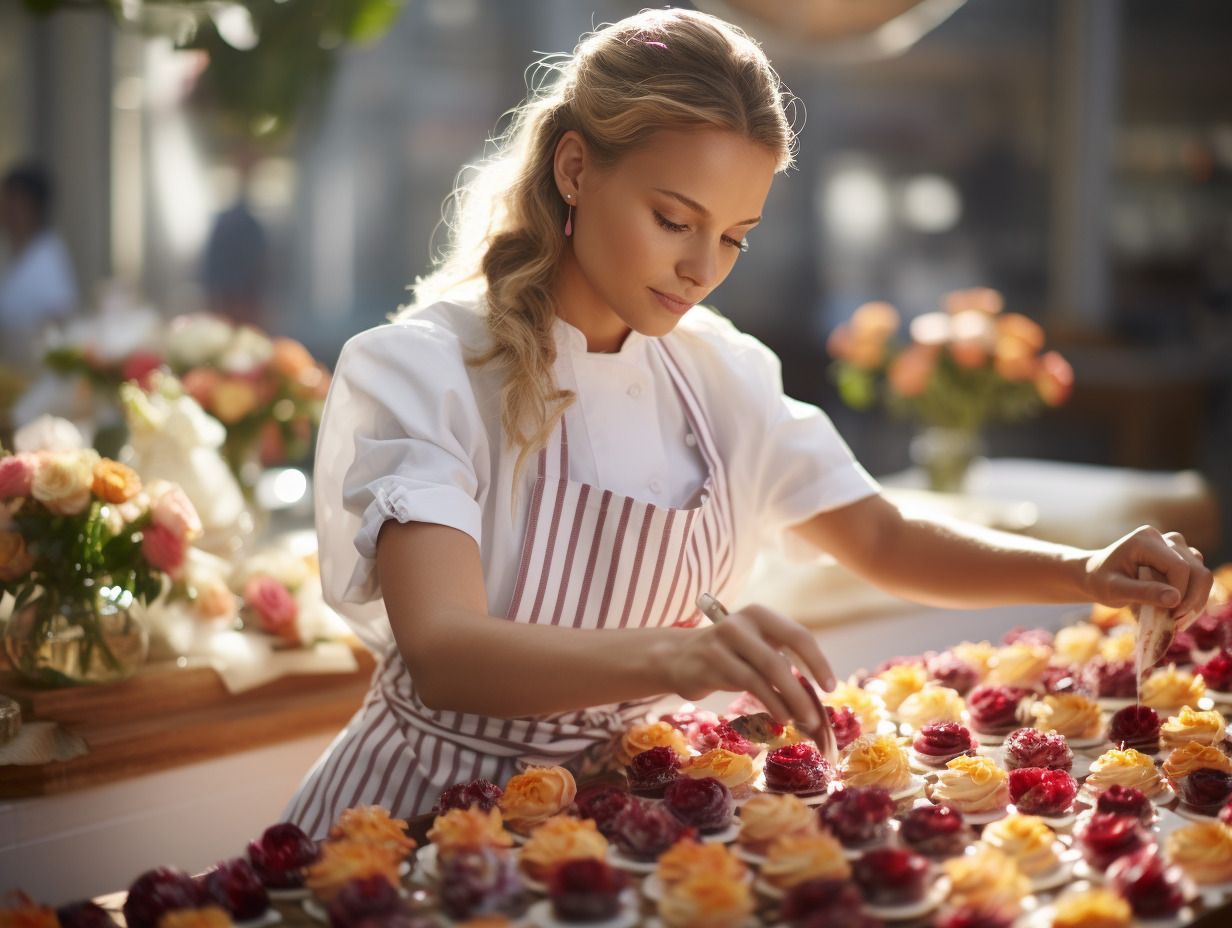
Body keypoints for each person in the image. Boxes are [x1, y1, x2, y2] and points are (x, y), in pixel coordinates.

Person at [284, 9, 1211, 836]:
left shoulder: (719, 373)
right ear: (575, 168)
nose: (701, 269)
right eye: (672, 218)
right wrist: (678, 655)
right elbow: (445, 651)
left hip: (620, 821)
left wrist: (1082, 572)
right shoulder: (427, 366)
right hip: (409, 821)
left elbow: (881, 535)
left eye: (733, 236)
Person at [0, 163, 79, 374]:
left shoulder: (47, 254)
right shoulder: (10, 253)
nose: (6, 208)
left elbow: (62, 319)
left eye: (14, 200)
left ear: (34, 207)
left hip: (34, 371)